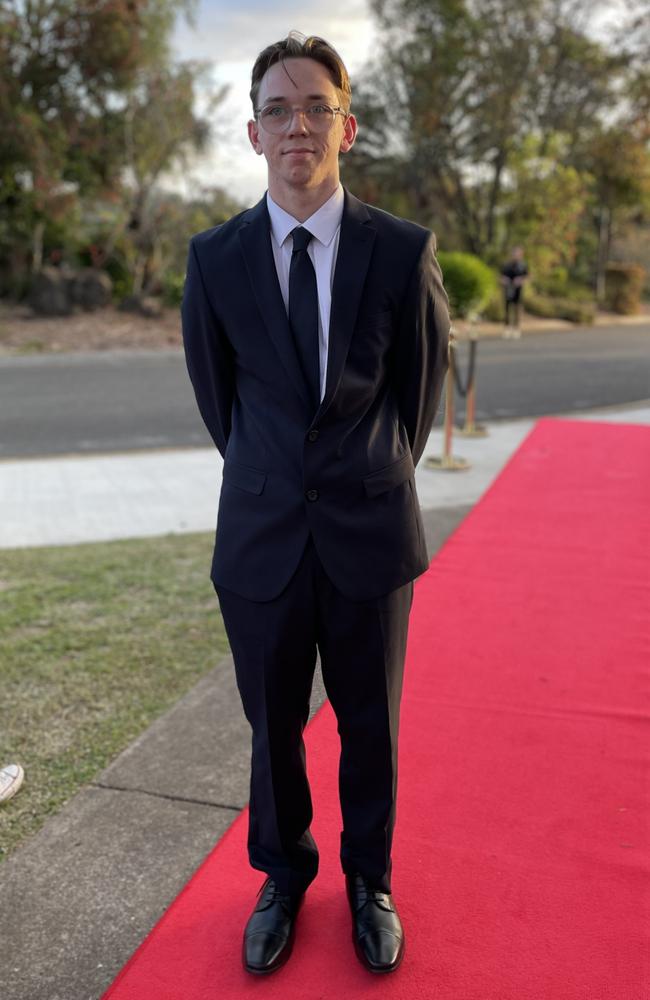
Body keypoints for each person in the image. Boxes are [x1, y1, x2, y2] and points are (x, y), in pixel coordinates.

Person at [181, 31, 450, 976]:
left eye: (316, 107)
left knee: (370, 724)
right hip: (261, 542)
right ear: (254, 134)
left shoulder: (401, 252)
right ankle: (283, 876)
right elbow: (223, 403)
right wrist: (275, 480)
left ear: (349, 124)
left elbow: (415, 402)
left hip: (369, 535)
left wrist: (361, 474)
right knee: (274, 731)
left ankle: (369, 882)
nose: (299, 125)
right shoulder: (213, 260)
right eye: (279, 110)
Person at [500, 246, 528, 337]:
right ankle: (507, 328)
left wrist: (521, 280)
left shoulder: (523, 265)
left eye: (518, 254)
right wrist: (505, 280)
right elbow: (501, 277)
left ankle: (516, 329)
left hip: (518, 290)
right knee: (507, 309)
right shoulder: (507, 265)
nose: (516, 255)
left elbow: (527, 277)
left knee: (517, 309)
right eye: (515, 253)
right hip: (508, 290)